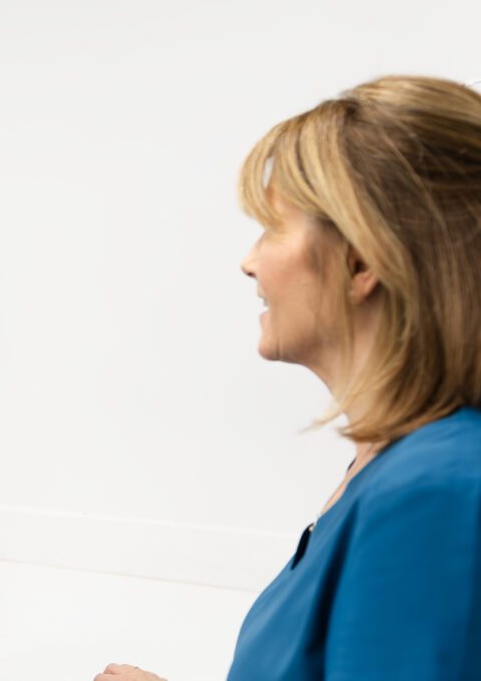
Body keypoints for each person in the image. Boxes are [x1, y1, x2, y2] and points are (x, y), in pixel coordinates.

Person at [96, 76, 481, 680]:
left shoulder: (432, 494)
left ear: (361, 259)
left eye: (273, 227)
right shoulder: (395, 465)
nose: (248, 261)